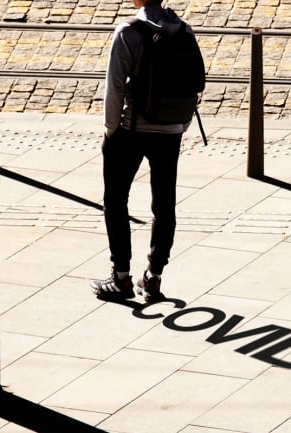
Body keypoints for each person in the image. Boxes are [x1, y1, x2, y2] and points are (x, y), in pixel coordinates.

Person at [90, 0, 193, 302]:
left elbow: (115, 87)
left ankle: (121, 277)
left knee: (116, 200)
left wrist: (110, 130)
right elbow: (192, 82)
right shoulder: (184, 31)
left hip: (131, 129)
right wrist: (181, 124)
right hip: (171, 130)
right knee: (164, 205)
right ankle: (154, 278)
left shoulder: (128, 32)